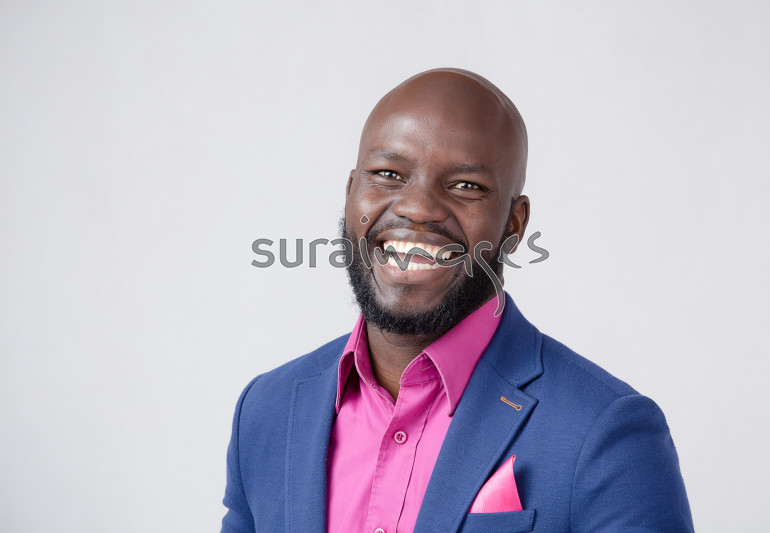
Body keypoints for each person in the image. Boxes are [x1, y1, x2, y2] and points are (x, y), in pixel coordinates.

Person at [221, 68, 694, 533]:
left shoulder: (605, 432)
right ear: (350, 193)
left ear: (514, 224)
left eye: (466, 186)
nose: (418, 208)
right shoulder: (266, 411)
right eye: (387, 174)